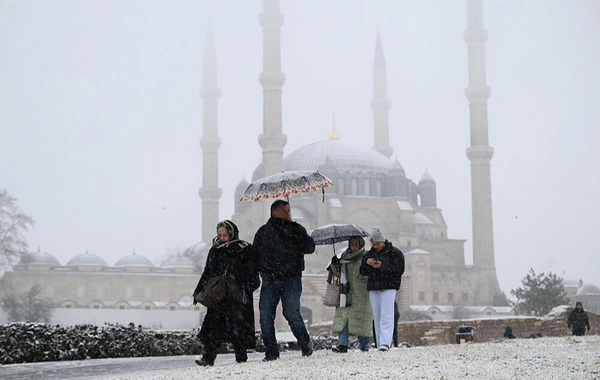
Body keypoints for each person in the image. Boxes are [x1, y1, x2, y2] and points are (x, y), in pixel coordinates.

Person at [253, 199, 316, 361]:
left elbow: (310, 248)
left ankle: (305, 342)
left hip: (291, 279)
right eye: (284, 210)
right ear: (274, 212)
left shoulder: (296, 229)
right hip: (270, 280)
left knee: (291, 312)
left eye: (289, 210)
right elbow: (255, 256)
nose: (288, 213)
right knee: (266, 316)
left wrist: (297, 234)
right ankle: (271, 352)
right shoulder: (263, 232)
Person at [192, 220, 260, 366]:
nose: (222, 238)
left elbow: (254, 274)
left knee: (238, 328)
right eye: (220, 235)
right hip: (219, 297)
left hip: (238, 297)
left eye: (225, 234)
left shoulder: (244, 249)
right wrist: (199, 291)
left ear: (232, 233)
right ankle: (208, 358)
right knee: (213, 326)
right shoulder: (215, 250)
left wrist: (245, 289)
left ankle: (241, 358)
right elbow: (208, 272)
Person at [360, 227, 405, 352]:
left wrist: (382, 265)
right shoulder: (369, 255)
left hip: (389, 286)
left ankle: (385, 342)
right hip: (374, 287)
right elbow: (362, 271)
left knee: (386, 314)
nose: (376, 246)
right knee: (377, 315)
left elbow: (399, 269)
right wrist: (367, 264)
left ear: (383, 241)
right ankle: (380, 343)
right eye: (373, 244)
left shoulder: (395, 253)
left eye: (378, 244)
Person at [328, 235, 373, 353]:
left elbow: (370, 273)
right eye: (351, 244)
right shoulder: (344, 257)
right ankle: (342, 345)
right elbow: (337, 272)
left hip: (361, 295)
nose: (353, 246)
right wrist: (335, 263)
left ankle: (364, 346)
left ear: (361, 244)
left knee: (360, 320)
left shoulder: (366, 256)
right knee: (343, 320)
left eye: (356, 244)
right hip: (345, 294)